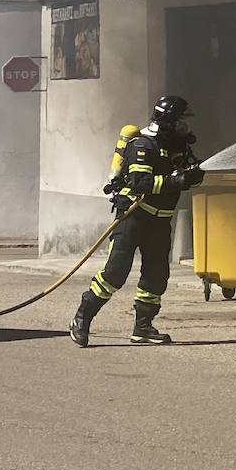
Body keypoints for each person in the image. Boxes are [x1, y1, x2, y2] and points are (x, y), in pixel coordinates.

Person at [69, 95, 205, 347]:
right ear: (168, 121)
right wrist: (176, 181)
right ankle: (82, 318)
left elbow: (188, 170)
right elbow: (141, 183)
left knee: (156, 277)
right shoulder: (143, 145)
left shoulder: (177, 145)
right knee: (115, 273)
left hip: (160, 221)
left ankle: (143, 328)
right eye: (180, 122)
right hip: (134, 217)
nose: (184, 127)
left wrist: (194, 173)